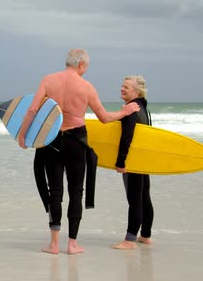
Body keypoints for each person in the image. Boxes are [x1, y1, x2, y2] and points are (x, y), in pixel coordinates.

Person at [18, 49, 140, 255]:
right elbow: (104, 117)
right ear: (81, 64)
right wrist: (125, 111)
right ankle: (72, 244)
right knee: (76, 192)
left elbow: (32, 110)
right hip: (77, 143)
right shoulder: (86, 87)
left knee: (55, 191)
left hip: (53, 141)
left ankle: (54, 244)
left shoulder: (48, 80)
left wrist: (22, 136)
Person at [111, 75, 154, 250]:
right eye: (122, 85)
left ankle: (129, 240)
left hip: (133, 160)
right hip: (143, 159)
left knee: (135, 199)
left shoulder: (131, 109)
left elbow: (126, 137)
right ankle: (145, 235)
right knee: (144, 198)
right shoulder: (143, 108)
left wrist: (120, 161)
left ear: (136, 91)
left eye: (126, 87)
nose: (122, 89)